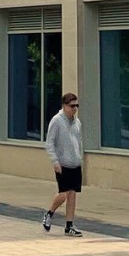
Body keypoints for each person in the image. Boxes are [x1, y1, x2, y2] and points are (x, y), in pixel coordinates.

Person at [43, 92, 84, 236]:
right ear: (64, 106)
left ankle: (69, 225)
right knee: (64, 194)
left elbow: (79, 142)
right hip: (62, 163)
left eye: (76, 106)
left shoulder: (77, 123)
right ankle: (49, 213)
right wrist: (55, 161)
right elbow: (50, 143)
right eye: (72, 106)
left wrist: (80, 157)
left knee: (72, 194)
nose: (75, 109)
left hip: (75, 163)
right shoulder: (57, 121)